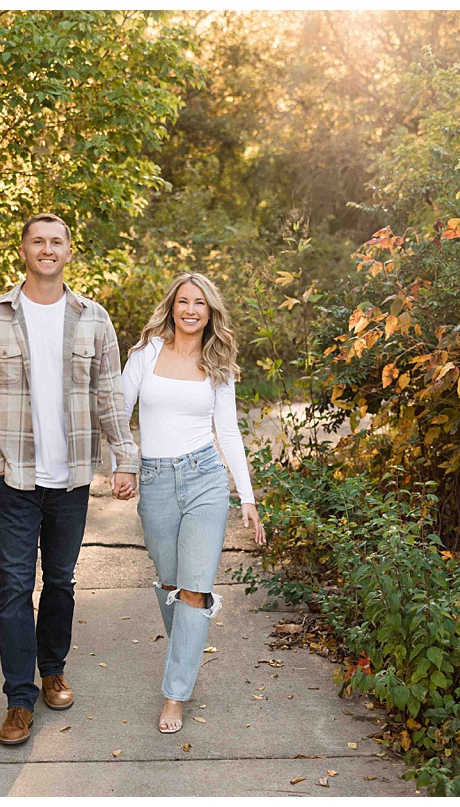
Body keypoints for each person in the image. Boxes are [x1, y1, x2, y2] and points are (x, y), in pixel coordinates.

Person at [0, 213, 140, 746]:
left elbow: (109, 395)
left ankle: (53, 669)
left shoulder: (93, 318)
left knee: (60, 582)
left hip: (72, 480)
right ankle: (19, 700)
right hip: (13, 478)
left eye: (55, 241)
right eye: (37, 240)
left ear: (69, 251)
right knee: (15, 588)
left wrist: (123, 458)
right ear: (22, 249)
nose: (46, 248)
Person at [115, 272, 266, 734]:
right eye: (184, 301)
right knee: (170, 584)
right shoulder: (145, 354)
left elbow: (230, 432)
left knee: (196, 588)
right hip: (157, 479)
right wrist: (123, 465)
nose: (191, 310)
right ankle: (185, 645)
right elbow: (119, 412)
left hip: (204, 479)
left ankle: (175, 694)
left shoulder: (218, 363)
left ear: (210, 311)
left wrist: (246, 496)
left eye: (200, 303)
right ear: (172, 306)